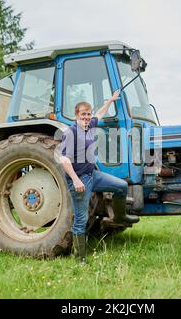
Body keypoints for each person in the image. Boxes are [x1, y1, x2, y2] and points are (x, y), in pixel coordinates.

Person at [59, 90, 139, 263]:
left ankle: (119, 217)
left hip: (92, 175)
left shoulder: (89, 126)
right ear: (76, 115)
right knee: (81, 219)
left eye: (88, 114)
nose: (87, 117)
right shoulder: (70, 133)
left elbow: (99, 113)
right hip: (79, 180)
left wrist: (110, 100)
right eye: (83, 114)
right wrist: (76, 179)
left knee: (121, 186)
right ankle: (79, 258)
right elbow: (63, 159)